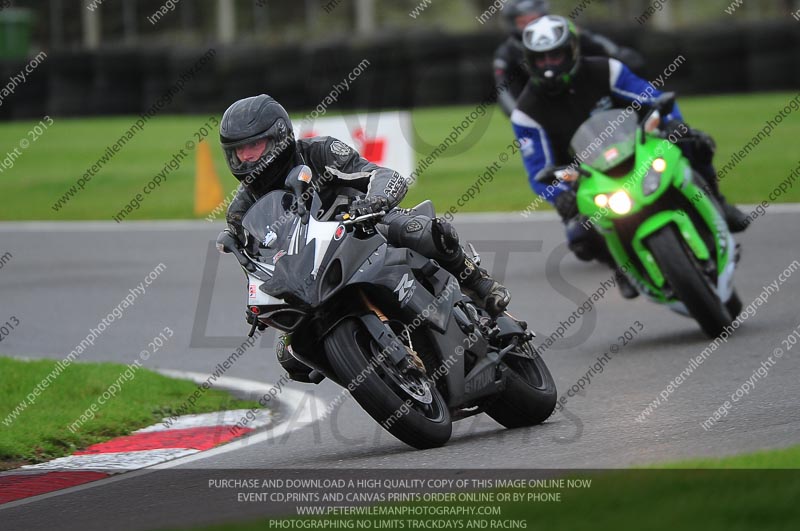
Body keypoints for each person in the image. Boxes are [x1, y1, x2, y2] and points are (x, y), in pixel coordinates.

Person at [219, 95, 511, 380]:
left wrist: (376, 201)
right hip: (310, 271)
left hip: (365, 228)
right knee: (290, 354)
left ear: (279, 137)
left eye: (253, 146)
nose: (245, 157)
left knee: (420, 231)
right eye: (238, 151)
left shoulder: (321, 152)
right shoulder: (240, 211)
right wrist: (260, 299)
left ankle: (477, 282)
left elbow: (380, 174)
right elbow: (256, 264)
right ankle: (373, 375)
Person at [511, 16, 749, 299]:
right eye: (541, 59)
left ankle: (718, 202)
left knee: (695, 143)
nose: (549, 65)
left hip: (639, 147)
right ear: (529, 61)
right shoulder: (525, 112)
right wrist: (559, 194)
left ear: (572, 49)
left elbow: (652, 97)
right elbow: (538, 168)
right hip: (588, 177)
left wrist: (672, 122)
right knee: (581, 236)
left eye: (555, 55)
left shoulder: (606, 70)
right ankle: (619, 265)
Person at [494, 0, 645, 117]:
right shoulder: (506, 54)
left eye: (555, 55)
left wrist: (619, 54)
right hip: (546, 110)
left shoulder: (568, 34)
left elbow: (598, 45)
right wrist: (520, 115)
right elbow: (504, 91)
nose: (548, 63)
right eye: (523, 22)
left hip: (589, 100)